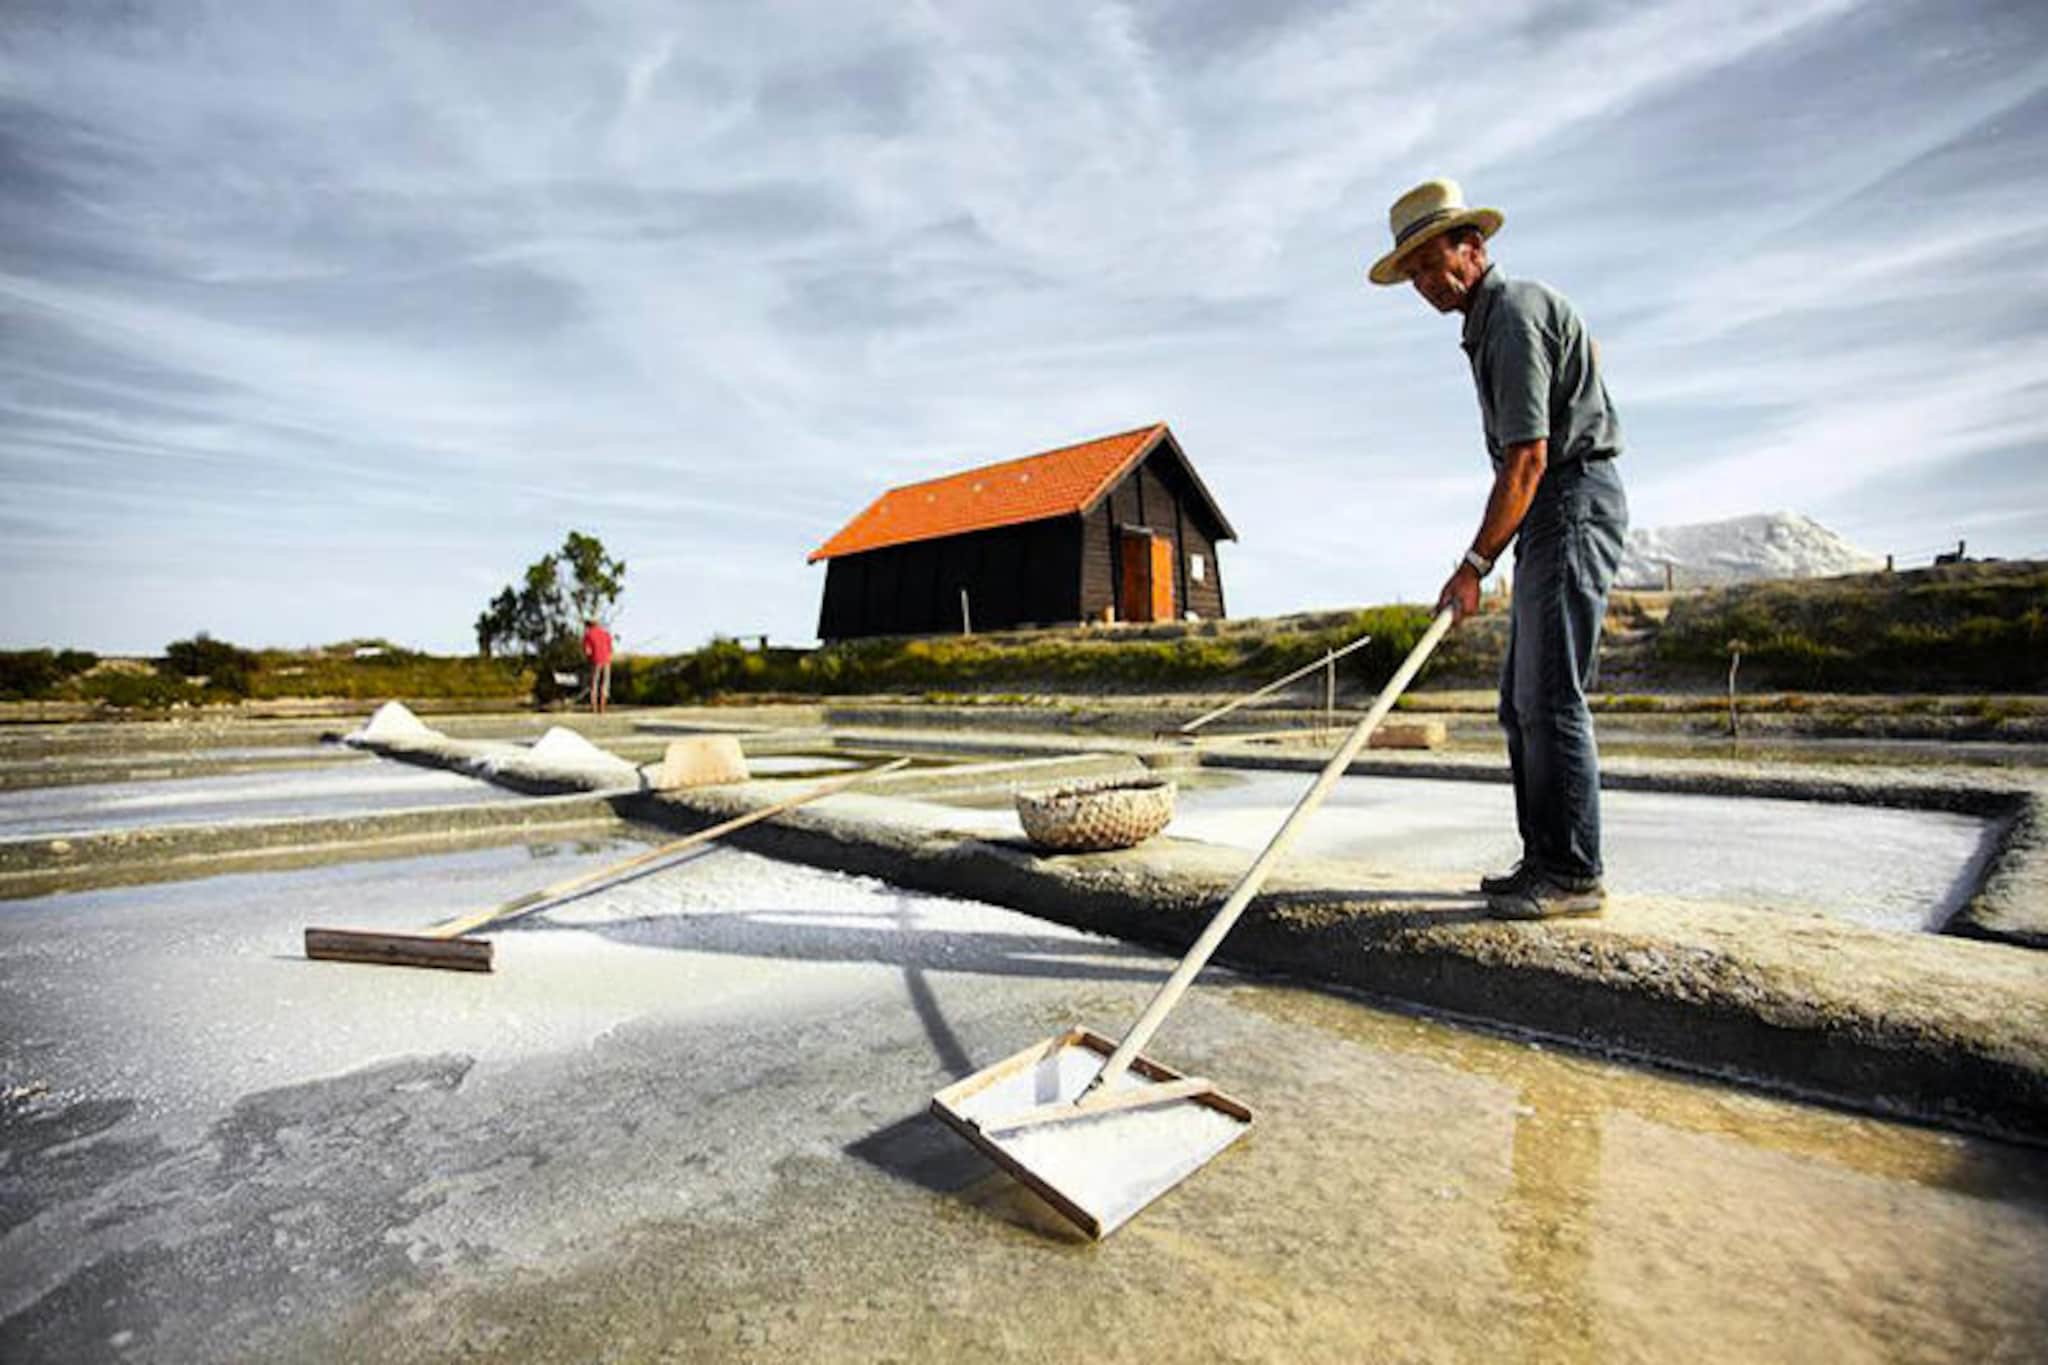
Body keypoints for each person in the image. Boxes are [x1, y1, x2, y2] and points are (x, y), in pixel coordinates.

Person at [1367, 179, 1629, 919]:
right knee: (1520, 701)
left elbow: (1528, 459)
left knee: (1550, 694)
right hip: (1548, 510)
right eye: (1414, 273)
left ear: (1474, 247)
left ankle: (1573, 873)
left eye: (1434, 262)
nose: (1426, 282)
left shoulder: (1511, 314)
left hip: (1571, 500)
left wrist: (1473, 566)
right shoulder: (1491, 324)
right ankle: (1544, 858)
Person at [581, 617, 613, 714]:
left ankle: (594, 707)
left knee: (594, 683)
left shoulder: (588, 635)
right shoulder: (606, 634)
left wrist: (587, 659)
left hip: (595, 660)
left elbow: (588, 651)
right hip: (606, 661)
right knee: (605, 684)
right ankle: (602, 707)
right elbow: (610, 649)